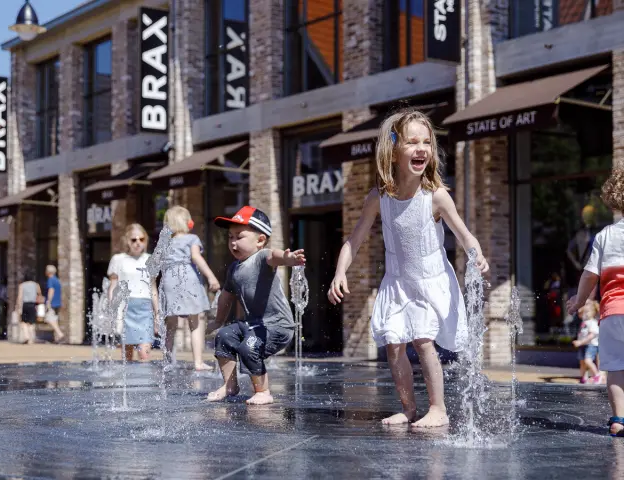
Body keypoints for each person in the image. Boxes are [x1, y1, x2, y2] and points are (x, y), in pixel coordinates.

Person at [327, 109, 489, 428]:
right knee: (393, 344)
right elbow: (354, 240)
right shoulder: (379, 198)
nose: (421, 149)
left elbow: (464, 234)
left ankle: (438, 408)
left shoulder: (436, 196)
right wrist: (340, 272)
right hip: (397, 282)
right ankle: (408, 408)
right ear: (393, 151)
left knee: (423, 341)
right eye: (412, 142)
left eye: (427, 142)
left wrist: (477, 255)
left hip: (430, 280)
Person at [567, 159, 624, 437]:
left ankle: (619, 421)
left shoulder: (606, 234)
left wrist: (579, 301)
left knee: (617, 370)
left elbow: (589, 275)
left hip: (612, 316)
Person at [206, 206, 305, 405]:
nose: (233, 242)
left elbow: (273, 256)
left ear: (260, 240)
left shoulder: (261, 258)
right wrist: (218, 321)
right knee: (224, 337)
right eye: (230, 237)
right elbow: (226, 296)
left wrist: (288, 259)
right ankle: (230, 385)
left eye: (239, 236)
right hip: (254, 324)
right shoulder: (234, 268)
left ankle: (263, 391)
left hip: (277, 326)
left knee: (249, 347)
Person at [161, 206, 220, 370]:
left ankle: (168, 362)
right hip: (188, 279)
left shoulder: (165, 242)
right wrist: (211, 276)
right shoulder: (192, 238)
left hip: (169, 280)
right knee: (195, 321)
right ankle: (198, 362)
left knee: (171, 323)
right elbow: (196, 257)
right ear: (188, 222)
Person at [107, 224, 159, 361]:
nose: (137, 243)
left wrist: (157, 314)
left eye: (141, 239)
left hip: (145, 308)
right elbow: (113, 287)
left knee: (144, 353)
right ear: (127, 241)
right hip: (125, 308)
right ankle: (129, 376)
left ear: (146, 240)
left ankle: (144, 375)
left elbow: (153, 288)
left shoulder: (151, 259)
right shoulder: (118, 259)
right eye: (133, 239)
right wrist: (113, 310)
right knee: (127, 354)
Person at [572, 299, 601, 384]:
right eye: (584, 312)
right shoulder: (584, 322)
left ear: (593, 312)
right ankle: (583, 378)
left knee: (587, 361)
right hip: (583, 345)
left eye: (587, 312)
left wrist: (580, 342)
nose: (585, 314)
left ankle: (597, 375)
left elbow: (592, 335)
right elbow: (579, 313)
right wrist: (581, 307)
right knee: (582, 362)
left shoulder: (593, 322)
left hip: (591, 345)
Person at [16, 272, 41, 344]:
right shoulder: (36, 285)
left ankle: (26, 336)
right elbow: (39, 294)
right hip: (33, 305)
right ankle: (31, 339)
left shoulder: (22, 285)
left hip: (25, 305)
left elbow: (20, 296)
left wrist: (18, 306)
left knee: (23, 322)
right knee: (31, 322)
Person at [45, 265, 66, 343]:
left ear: (48, 272)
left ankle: (60, 334)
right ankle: (57, 338)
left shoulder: (50, 280)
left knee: (48, 319)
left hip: (52, 303)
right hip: (57, 302)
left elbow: (51, 290)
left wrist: (48, 301)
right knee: (55, 319)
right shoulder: (57, 280)